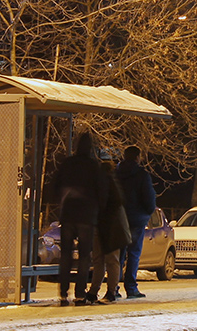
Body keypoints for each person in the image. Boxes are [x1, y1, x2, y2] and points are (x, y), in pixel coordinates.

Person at [53, 131, 108, 306]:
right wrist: (100, 211)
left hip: (68, 214)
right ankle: (79, 293)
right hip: (87, 216)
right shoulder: (94, 166)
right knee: (84, 256)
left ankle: (63, 292)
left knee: (66, 256)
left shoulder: (67, 164)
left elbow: (55, 185)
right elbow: (102, 191)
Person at [87, 160, 130, 304]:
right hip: (112, 227)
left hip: (104, 226)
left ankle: (96, 291)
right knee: (112, 261)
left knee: (100, 260)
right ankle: (110, 291)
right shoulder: (114, 183)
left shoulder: (100, 184)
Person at [116, 145, 156, 299]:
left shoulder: (116, 174)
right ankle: (131, 287)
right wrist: (146, 213)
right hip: (136, 219)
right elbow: (149, 198)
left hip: (119, 218)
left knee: (118, 254)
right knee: (133, 253)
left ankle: (114, 287)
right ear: (138, 157)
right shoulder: (142, 175)